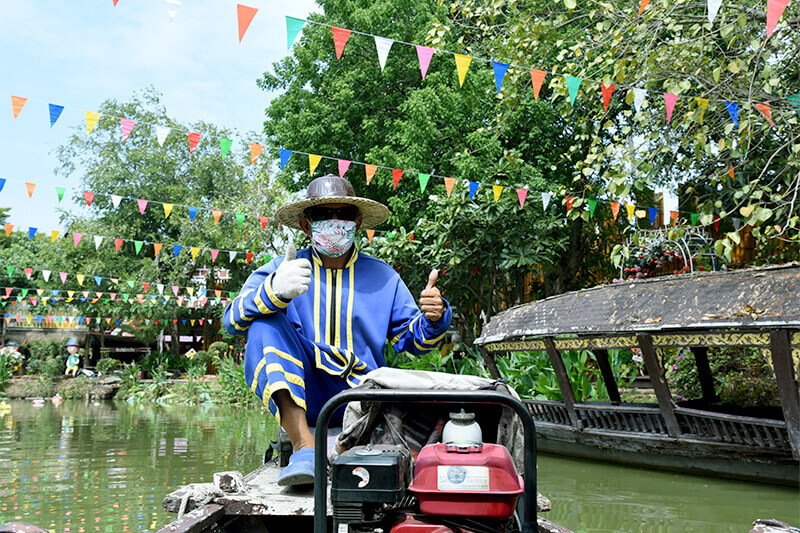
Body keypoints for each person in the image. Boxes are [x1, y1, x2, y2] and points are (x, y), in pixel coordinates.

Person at [224, 174, 452, 487]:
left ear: (358, 223)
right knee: (264, 322)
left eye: (343, 214)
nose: (334, 222)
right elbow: (231, 321)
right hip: (305, 392)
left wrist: (434, 317)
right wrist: (273, 291)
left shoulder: (384, 276)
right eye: (322, 215)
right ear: (306, 225)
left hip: (363, 397)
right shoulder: (283, 268)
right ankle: (305, 447)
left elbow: (415, 342)